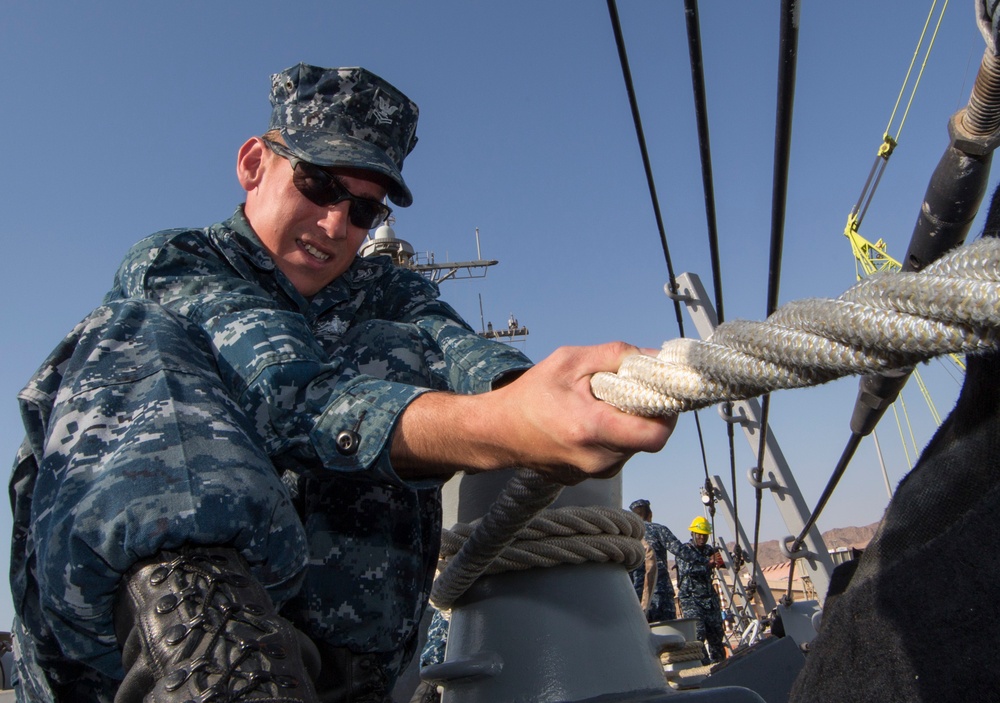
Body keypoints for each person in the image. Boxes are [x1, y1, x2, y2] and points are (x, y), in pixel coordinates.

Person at [8, 63, 675, 703]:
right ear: (253, 165)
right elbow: (289, 392)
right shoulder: (180, 264)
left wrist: (547, 393)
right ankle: (220, 670)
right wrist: (501, 425)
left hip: (350, 669)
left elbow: (462, 353)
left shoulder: (388, 294)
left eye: (362, 210)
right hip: (169, 664)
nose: (336, 225)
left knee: (402, 345)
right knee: (127, 340)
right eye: (319, 185)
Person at [667, 516, 727, 665]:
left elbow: (721, 563)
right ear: (693, 534)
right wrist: (709, 564)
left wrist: (728, 561)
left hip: (709, 599)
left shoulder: (708, 550)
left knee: (716, 635)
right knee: (697, 636)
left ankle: (720, 665)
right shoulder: (685, 551)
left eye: (704, 535)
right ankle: (705, 668)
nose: (702, 537)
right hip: (692, 600)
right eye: (699, 534)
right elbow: (689, 570)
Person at [627, 499, 677, 623]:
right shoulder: (659, 530)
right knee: (667, 634)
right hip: (661, 593)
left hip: (636, 598)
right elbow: (680, 551)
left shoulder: (627, 537)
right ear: (650, 515)